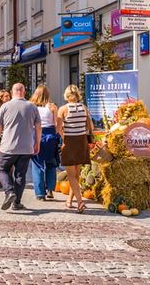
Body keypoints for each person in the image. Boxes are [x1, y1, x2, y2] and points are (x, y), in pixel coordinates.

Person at [0, 83, 41, 211]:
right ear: (24, 92)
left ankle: (9, 192)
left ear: (12, 92)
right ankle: (17, 203)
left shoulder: (5, 106)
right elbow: (38, 127)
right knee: (21, 175)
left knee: (2, 169)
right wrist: (37, 143)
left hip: (8, 147)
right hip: (26, 148)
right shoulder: (32, 107)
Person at [57, 85, 93, 214]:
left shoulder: (63, 109)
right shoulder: (84, 108)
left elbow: (58, 128)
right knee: (76, 175)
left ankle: (80, 202)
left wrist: (64, 137)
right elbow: (90, 126)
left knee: (71, 175)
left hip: (70, 142)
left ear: (67, 95)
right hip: (82, 141)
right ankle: (69, 200)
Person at [29, 85, 62, 201]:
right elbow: (56, 125)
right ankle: (50, 189)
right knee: (51, 164)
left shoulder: (31, 107)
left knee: (37, 165)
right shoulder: (52, 107)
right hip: (50, 137)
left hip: (36, 136)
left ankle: (40, 193)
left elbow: (30, 123)